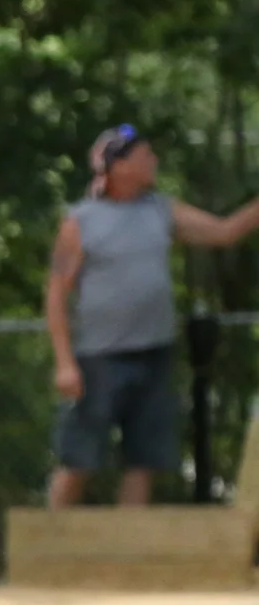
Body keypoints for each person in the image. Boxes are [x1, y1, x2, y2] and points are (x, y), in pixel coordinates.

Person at [44, 125, 259, 508]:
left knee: (143, 461)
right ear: (119, 166)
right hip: (98, 359)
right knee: (78, 460)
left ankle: (129, 557)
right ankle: (41, 556)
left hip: (155, 355)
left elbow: (225, 232)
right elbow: (57, 294)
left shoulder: (161, 209)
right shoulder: (80, 222)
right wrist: (64, 362)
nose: (153, 161)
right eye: (145, 155)